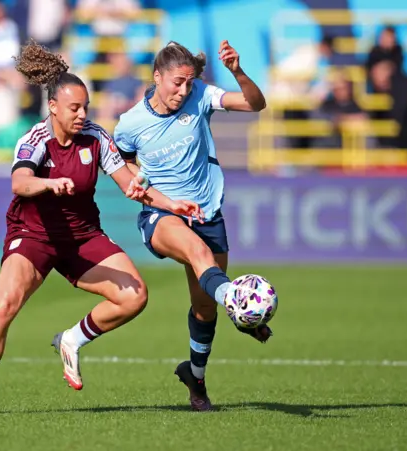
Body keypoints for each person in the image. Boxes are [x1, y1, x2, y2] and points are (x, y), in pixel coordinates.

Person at [0, 41, 203, 415]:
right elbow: (19, 184)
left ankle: (71, 339)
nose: (81, 113)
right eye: (74, 107)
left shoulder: (96, 137)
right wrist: (48, 184)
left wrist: (171, 204)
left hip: (82, 237)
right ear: (53, 107)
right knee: (4, 305)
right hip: (34, 237)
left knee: (134, 295)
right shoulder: (36, 139)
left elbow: (130, 184)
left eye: (85, 106)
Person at [113, 40, 271, 412]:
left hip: (206, 213)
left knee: (205, 309)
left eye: (188, 83)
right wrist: (141, 184)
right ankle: (239, 301)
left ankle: (195, 377)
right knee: (201, 257)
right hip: (162, 214)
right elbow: (119, 162)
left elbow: (254, 104)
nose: (183, 91)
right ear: (157, 77)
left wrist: (237, 71)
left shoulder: (200, 95)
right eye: (176, 83)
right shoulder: (131, 124)